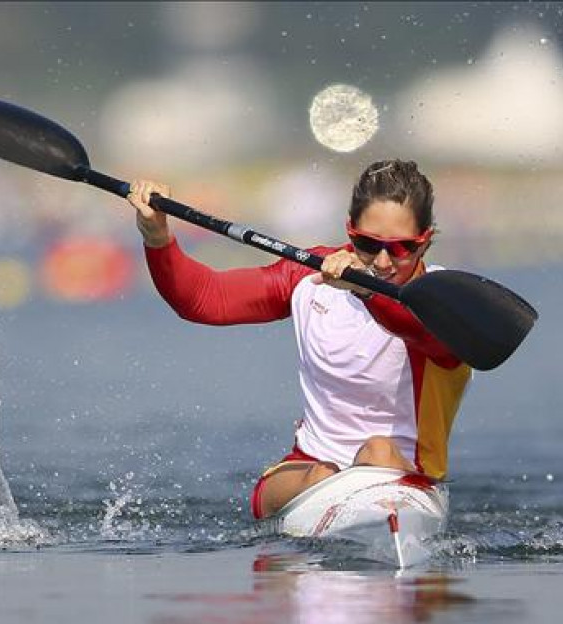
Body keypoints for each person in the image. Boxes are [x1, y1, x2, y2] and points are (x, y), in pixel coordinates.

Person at [126, 160, 472, 520]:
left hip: (405, 474)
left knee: (378, 450)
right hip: (309, 474)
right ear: (349, 231)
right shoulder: (311, 274)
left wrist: (366, 292)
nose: (383, 261)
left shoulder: (445, 299)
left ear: (425, 241)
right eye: (368, 244)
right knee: (322, 472)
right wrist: (156, 236)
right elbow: (203, 299)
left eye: (401, 248)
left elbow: (425, 336)